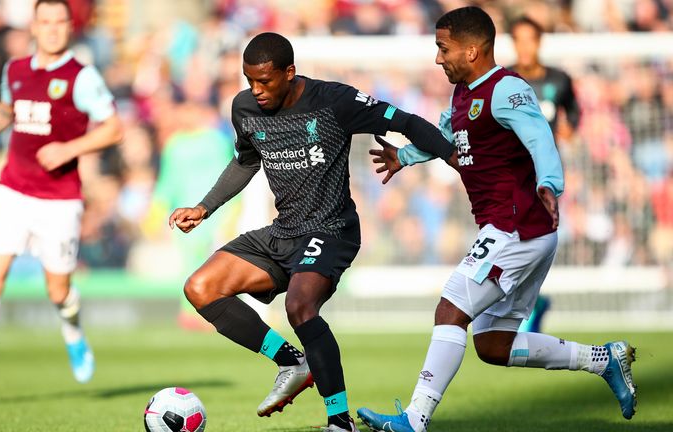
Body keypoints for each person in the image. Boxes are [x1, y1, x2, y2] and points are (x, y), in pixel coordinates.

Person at [356, 7, 636, 432]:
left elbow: (540, 136)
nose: (437, 58)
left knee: (451, 309)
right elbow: (449, 138)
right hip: (517, 229)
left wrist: (549, 183)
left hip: (517, 226)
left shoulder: (506, 89)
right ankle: (603, 359)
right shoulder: (463, 93)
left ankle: (415, 419)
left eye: (443, 48)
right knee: (492, 344)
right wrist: (405, 156)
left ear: (472, 51)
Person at [168, 32, 456, 432]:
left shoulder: (334, 101)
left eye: (265, 81)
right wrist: (203, 207)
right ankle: (291, 361)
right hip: (284, 232)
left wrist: (456, 158)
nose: (257, 89)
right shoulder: (245, 107)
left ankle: (340, 421)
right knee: (200, 287)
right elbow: (245, 161)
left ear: (290, 72)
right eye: (250, 80)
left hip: (331, 230)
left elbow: (404, 121)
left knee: (300, 307)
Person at [0, 0, 122, 402]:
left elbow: (114, 128)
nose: (54, 29)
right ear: (34, 26)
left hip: (59, 200)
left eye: (60, 21)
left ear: (69, 26)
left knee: (58, 290)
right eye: (46, 22)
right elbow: (8, 109)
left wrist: (68, 149)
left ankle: (73, 333)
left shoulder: (82, 77)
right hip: (12, 190)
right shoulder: (17, 70)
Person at [509, 15, 581, 333]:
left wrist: (569, 129)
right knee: (512, 236)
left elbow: (573, 113)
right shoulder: (505, 79)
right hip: (509, 170)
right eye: (519, 40)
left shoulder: (559, 79)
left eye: (531, 39)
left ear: (539, 42)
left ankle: (528, 305)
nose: (525, 47)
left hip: (544, 175)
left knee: (534, 236)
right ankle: (531, 302)